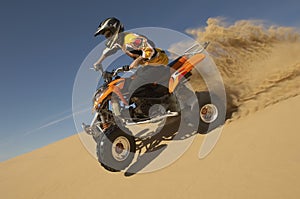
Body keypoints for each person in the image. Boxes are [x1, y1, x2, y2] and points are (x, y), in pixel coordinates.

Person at [93, 17, 170, 95]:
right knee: (128, 82)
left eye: (108, 34)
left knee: (135, 87)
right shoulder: (120, 42)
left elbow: (149, 48)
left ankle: (159, 103)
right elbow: (109, 51)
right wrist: (99, 62)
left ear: (115, 30)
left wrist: (138, 60)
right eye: (106, 36)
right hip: (147, 66)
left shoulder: (130, 39)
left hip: (158, 62)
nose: (108, 38)